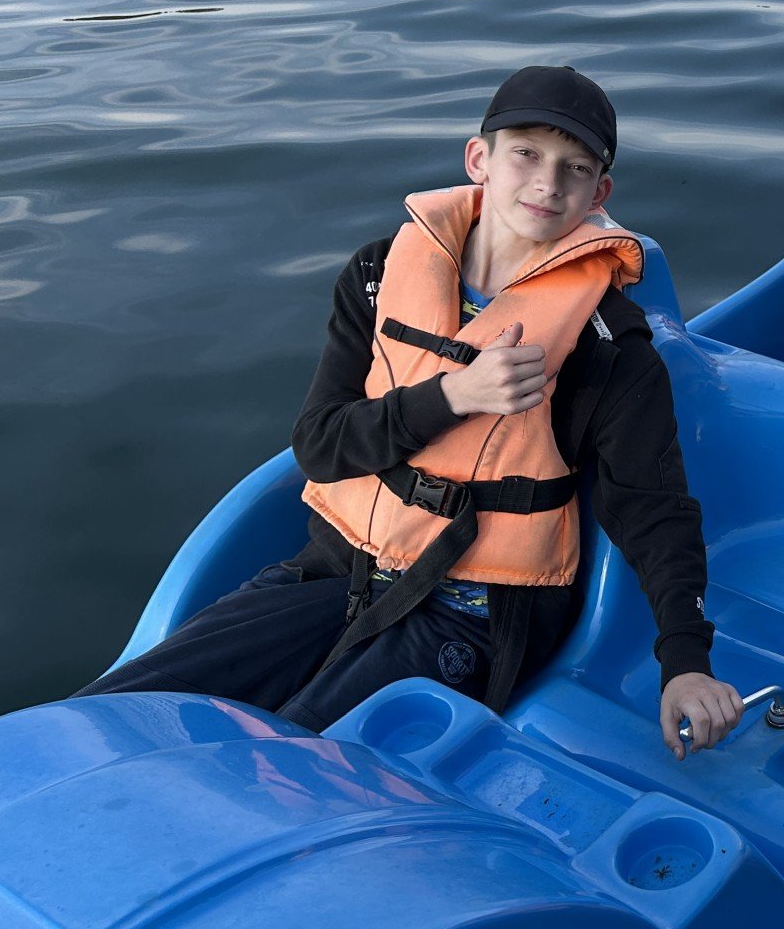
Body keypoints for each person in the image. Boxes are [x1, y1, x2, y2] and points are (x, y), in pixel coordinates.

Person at [83, 66, 743, 755]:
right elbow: (320, 446)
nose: (549, 183)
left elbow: (653, 510)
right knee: (117, 711)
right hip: (341, 570)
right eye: (526, 153)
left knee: (283, 765)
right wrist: (456, 397)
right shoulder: (377, 275)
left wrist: (686, 662)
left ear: (599, 193)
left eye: (576, 168)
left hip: (479, 610)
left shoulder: (608, 344)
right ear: (479, 159)